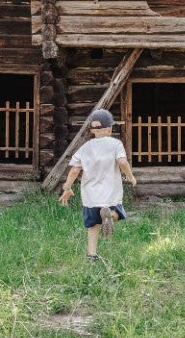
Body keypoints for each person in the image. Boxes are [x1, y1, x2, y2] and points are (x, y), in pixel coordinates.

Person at [59, 109, 137, 261]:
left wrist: (67, 188)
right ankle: (109, 216)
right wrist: (131, 177)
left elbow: (75, 170)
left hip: (90, 196)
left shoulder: (85, 147)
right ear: (110, 128)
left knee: (93, 226)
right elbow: (122, 162)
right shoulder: (115, 144)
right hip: (111, 195)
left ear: (92, 130)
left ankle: (91, 255)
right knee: (119, 214)